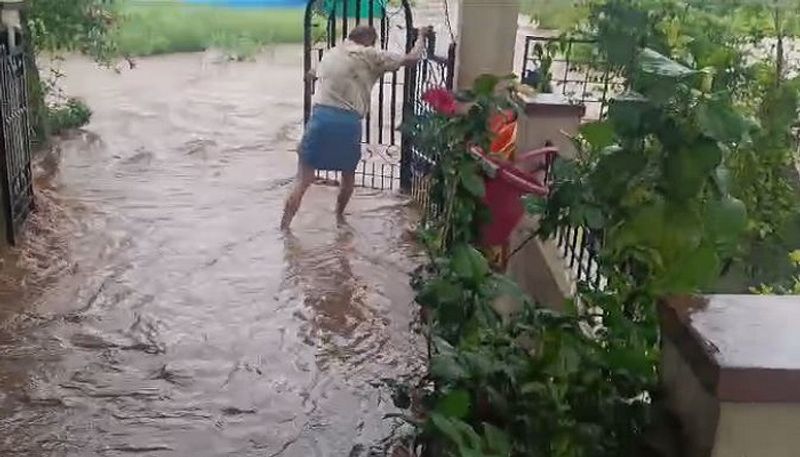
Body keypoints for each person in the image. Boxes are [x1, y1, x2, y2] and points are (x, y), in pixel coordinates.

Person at [280, 24, 432, 230]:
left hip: (320, 118)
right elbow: (412, 59)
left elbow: (310, 74)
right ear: (370, 40)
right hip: (348, 123)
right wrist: (421, 36)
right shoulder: (370, 54)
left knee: (303, 179)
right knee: (348, 176)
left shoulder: (332, 53)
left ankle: (284, 229)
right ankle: (339, 220)